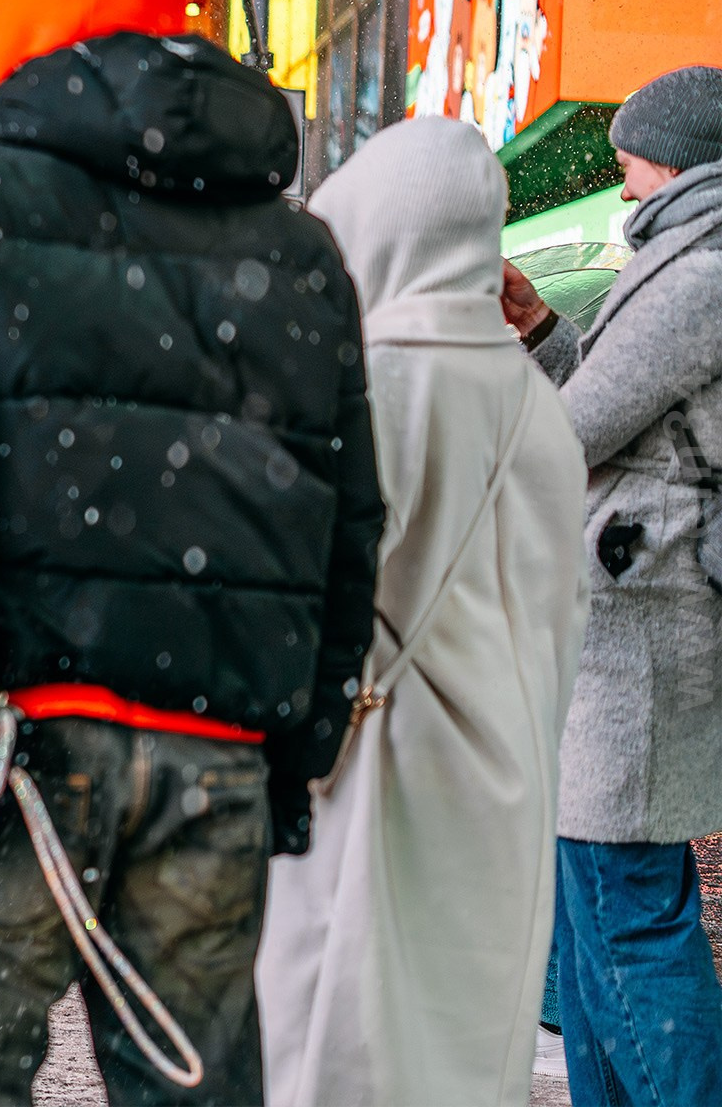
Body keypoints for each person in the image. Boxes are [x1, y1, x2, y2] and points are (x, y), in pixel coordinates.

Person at [0, 0, 383, 1105]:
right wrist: (297, 744)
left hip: (4, 741)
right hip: (214, 748)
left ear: (10, 40)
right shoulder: (295, 250)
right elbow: (342, 515)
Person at [255, 118, 590, 1106]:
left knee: (345, 1036)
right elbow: (563, 610)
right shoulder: (538, 406)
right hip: (509, 771)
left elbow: (317, 574)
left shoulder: (378, 378)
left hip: (382, 765)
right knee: (459, 1047)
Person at [500, 64, 722, 1106]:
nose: (621, 179)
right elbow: (617, 402)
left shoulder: (700, 272)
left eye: (631, 160)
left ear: (676, 157)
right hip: (632, 615)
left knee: (625, 905)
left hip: (640, 624)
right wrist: (543, 331)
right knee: (601, 905)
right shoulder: (684, 257)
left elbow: (579, 430)